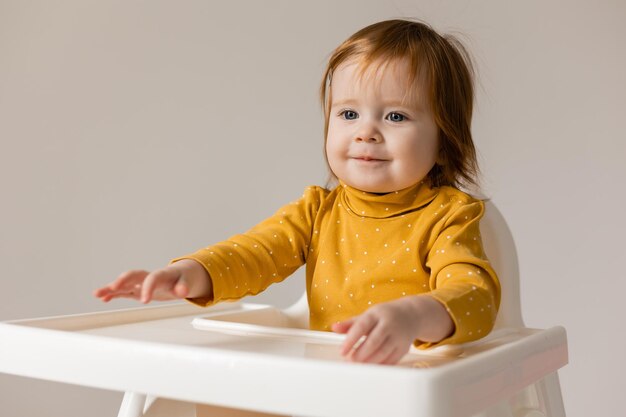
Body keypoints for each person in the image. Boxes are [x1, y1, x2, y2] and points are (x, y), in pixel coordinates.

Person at [94, 19, 500, 366]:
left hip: (411, 386)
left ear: (445, 139)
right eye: (348, 113)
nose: (365, 131)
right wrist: (188, 275)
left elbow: (474, 295)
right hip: (324, 381)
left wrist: (414, 316)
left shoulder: (449, 215)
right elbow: (251, 254)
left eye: (395, 115)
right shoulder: (317, 212)